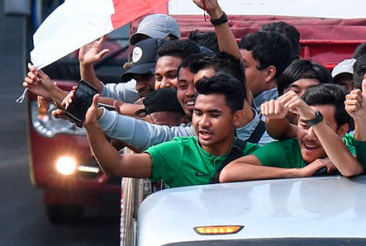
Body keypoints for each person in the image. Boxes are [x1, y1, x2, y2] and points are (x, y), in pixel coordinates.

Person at [83, 73, 258, 188]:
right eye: (198, 113)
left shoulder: (260, 155)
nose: (203, 122)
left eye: (214, 114)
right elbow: (117, 165)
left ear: (236, 117)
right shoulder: (178, 151)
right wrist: (92, 127)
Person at [221, 85, 356, 181]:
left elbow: (350, 168)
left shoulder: (351, 150)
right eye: (304, 124)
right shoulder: (286, 149)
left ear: (342, 130)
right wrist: (299, 173)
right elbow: (228, 173)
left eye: (320, 127)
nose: (309, 135)